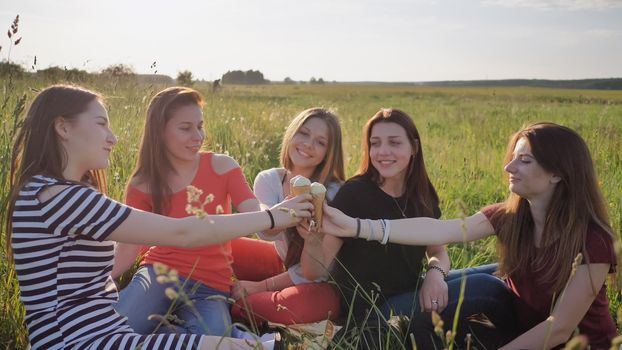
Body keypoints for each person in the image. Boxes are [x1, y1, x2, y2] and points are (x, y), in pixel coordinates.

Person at [7, 84, 311, 349]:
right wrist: (273, 216)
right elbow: (183, 233)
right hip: (82, 341)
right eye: (101, 124)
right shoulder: (63, 198)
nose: (112, 138)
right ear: (63, 127)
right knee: (234, 347)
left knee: (232, 344)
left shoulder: (61, 193)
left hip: (103, 332)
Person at [321, 122, 617, 349]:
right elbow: (440, 229)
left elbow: (560, 328)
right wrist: (357, 226)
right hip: (519, 328)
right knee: (451, 295)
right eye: (513, 157)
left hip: (576, 344)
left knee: (479, 285)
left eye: (525, 161)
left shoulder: (593, 240)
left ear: (558, 174)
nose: (508, 167)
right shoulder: (510, 217)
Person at [111, 87, 260, 337]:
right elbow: (128, 249)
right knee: (116, 332)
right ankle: (171, 332)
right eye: (185, 128)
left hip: (211, 286)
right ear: (160, 132)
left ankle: (170, 333)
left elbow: (255, 213)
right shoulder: (143, 184)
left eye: (200, 126)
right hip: (159, 275)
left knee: (212, 341)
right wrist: (92, 283)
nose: (197, 136)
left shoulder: (223, 166)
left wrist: (282, 213)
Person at [302, 108, 451, 335]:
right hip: (372, 312)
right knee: (487, 287)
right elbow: (314, 271)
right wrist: (312, 238)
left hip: (415, 289)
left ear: (414, 148)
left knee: (493, 274)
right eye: (375, 143)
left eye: (394, 142)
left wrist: (435, 274)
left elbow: (438, 251)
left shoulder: (422, 195)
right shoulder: (354, 193)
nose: (382, 151)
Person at [230, 107, 345, 325]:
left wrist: (261, 286)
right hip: (283, 262)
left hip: (326, 283)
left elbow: (316, 273)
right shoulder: (269, 180)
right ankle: (222, 295)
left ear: (329, 153)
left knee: (292, 309)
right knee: (222, 248)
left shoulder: (334, 194)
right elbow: (267, 232)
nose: (308, 144)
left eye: (320, 142)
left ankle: (235, 304)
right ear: (292, 133)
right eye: (303, 133)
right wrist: (290, 207)